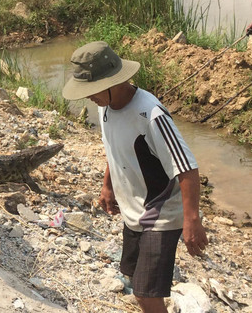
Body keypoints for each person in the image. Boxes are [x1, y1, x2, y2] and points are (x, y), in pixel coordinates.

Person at [62, 41, 207, 313]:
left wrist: (192, 220)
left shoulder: (150, 114)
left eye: (91, 90)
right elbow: (114, 147)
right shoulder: (105, 105)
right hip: (134, 210)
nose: (88, 97)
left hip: (162, 213)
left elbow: (186, 166)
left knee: (145, 294)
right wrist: (108, 186)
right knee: (131, 277)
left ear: (113, 82)